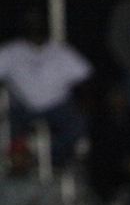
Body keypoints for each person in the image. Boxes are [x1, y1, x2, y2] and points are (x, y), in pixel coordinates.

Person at [0, 10, 91, 168]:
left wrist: (83, 102)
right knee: (11, 133)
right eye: (31, 26)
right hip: (22, 108)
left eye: (38, 26)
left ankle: (53, 162)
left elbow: (85, 78)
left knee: (77, 126)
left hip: (58, 105)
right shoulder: (11, 51)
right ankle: (20, 171)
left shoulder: (60, 51)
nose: (35, 29)